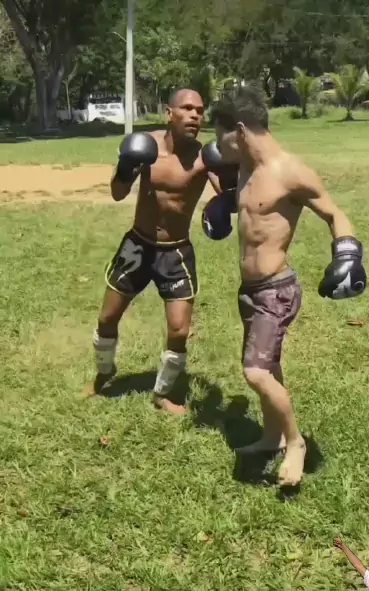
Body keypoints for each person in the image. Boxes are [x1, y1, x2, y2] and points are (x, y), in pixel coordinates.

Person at [204, 86, 366, 486]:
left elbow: (334, 213)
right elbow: (245, 205)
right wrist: (222, 205)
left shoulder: (290, 172)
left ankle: (295, 443)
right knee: (270, 366)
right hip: (249, 290)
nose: (218, 144)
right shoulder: (245, 166)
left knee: (255, 371)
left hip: (275, 290)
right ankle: (272, 436)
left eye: (222, 135)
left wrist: (347, 255)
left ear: (241, 131)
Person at [82, 88, 238, 414]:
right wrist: (126, 165)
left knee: (179, 330)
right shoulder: (146, 146)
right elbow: (117, 192)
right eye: (187, 108)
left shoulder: (206, 157)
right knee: (107, 318)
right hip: (138, 245)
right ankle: (103, 373)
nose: (195, 115)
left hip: (176, 252)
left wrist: (230, 181)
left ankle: (162, 393)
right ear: (169, 113)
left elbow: (231, 199)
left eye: (200, 110)